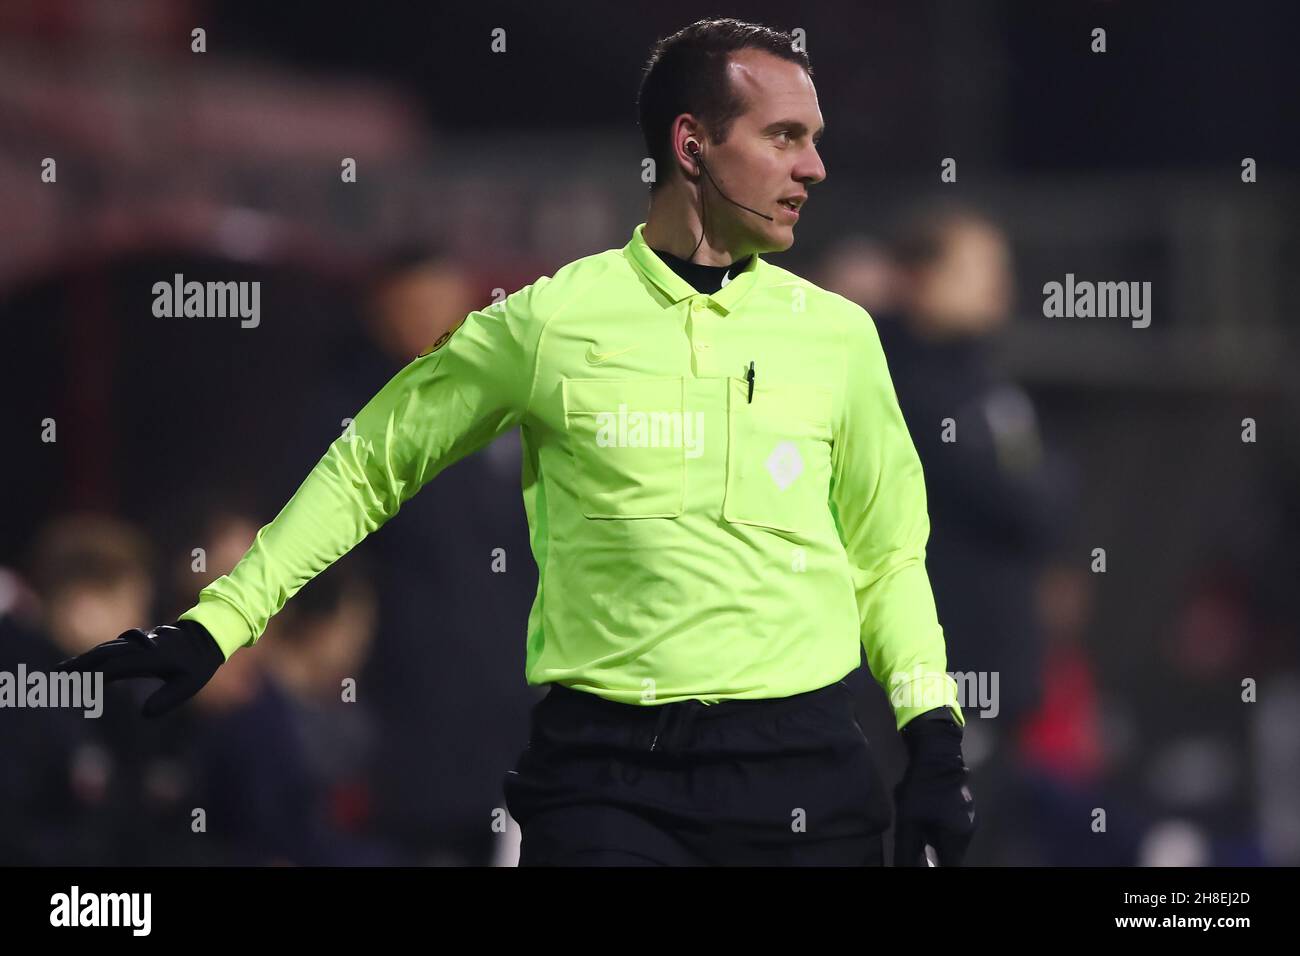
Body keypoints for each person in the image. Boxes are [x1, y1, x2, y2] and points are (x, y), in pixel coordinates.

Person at [58, 18, 975, 867]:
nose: (814, 166)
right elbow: (370, 463)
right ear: (691, 144)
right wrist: (222, 621)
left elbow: (887, 554)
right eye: (784, 136)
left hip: (805, 769)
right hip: (613, 777)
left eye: (813, 138)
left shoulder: (841, 336)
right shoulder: (544, 324)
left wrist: (932, 734)